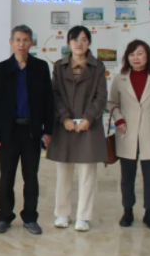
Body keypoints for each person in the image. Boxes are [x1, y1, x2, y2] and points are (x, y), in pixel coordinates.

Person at [0, 25, 53, 235]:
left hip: (32, 132)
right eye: (17, 40)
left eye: (25, 40)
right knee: (6, 176)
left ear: (31, 43)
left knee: (31, 177)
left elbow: (48, 100)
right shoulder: (0, 69)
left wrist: (48, 130)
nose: (21, 44)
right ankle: (5, 217)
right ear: (11, 42)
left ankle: (30, 217)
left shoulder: (41, 67)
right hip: (8, 132)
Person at [46, 26, 107, 232]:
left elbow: (101, 96)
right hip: (65, 127)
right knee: (63, 173)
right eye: (74, 40)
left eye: (83, 40)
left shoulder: (98, 66)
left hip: (89, 127)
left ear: (89, 43)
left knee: (87, 174)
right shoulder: (59, 66)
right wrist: (64, 118)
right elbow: (54, 94)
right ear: (68, 43)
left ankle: (83, 216)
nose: (79, 44)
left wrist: (89, 118)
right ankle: (62, 213)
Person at [108, 40, 150, 231]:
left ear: (148, 56)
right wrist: (119, 119)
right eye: (132, 54)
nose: (135, 58)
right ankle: (127, 211)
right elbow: (112, 103)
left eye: (140, 53)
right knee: (127, 177)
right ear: (127, 58)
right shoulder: (119, 78)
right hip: (127, 133)